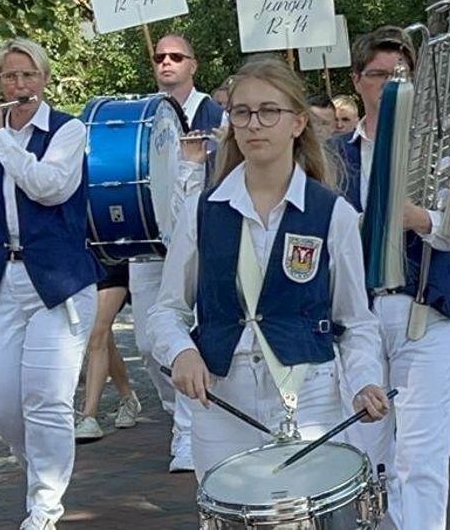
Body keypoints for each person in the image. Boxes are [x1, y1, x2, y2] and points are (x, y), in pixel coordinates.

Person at [149, 58, 388, 479]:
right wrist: (182, 352)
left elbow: (355, 320)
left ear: (297, 123)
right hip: (224, 402)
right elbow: (167, 310)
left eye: (268, 111)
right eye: (242, 112)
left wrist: (366, 381)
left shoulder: (332, 213)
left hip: (310, 396)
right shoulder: (201, 212)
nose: (254, 123)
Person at [0, 38, 104, 530]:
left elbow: (49, 186)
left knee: (46, 398)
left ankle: (44, 509)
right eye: (10, 77)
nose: (19, 86)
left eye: (28, 75)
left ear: (45, 78)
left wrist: (1, 139)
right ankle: (41, 470)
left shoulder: (68, 129)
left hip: (56, 279)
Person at [331, 26, 450, 529]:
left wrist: (421, 219)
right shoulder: (331, 155)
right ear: (357, 81)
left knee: (422, 451)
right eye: (379, 76)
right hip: (356, 315)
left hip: (424, 307)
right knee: (363, 448)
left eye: (401, 76)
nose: (389, 86)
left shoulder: (437, 154)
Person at [129, 33, 226, 473]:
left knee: (193, 334)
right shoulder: (146, 114)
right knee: (149, 345)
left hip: (199, 242)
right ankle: (178, 410)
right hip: (149, 243)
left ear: (193, 64)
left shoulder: (217, 115)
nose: (166, 62)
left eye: (175, 56)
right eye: (159, 57)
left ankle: (188, 433)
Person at [74, 261, 141, 441]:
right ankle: (128, 398)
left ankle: (89, 417)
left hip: (111, 260)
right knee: (102, 335)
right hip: (76, 261)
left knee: (97, 332)